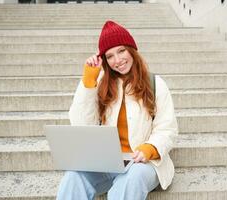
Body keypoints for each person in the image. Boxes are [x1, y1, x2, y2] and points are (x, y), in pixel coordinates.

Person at [56, 20, 178, 200]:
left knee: (131, 179)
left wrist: (149, 148)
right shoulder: (100, 85)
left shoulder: (155, 84)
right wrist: (89, 81)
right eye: (110, 56)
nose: (118, 60)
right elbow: (81, 125)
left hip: (143, 164)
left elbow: (167, 129)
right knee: (73, 176)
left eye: (121, 51)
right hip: (108, 163)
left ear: (132, 50)